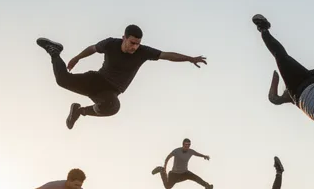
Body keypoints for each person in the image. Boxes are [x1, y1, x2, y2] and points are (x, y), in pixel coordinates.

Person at [34, 24, 207, 130]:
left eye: (138, 44)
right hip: (96, 81)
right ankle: (54, 51)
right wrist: (77, 57)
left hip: (110, 92)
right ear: (124, 37)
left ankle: (79, 111)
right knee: (62, 80)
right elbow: (93, 48)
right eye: (132, 42)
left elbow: (167, 55)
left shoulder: (143, 52)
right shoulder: (111, 43)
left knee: (112, 107)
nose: (135, 47)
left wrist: (190, 59)